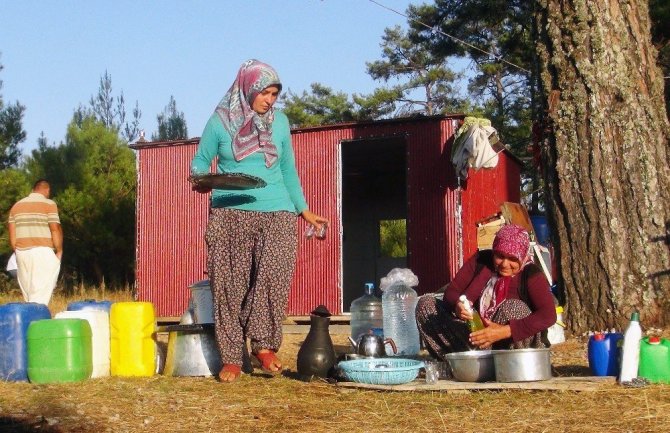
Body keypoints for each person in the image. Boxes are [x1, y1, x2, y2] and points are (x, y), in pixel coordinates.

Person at [191, 59, 328, 382]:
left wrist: (303, 209)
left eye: (274, 94)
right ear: (247, 89)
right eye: (264, 93)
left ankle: (263, 345)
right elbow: (199, 163)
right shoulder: (220, 122)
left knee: (274, 276)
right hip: (230, 211)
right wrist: (202, 181)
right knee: (230, 285)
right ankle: (231, 357)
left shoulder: (280, 123)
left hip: (278, 209)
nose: (270, 100)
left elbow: (287, 170)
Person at [415, 224, 556, 359]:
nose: (505, 264)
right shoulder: (481, 260)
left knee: (514, 308)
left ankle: (508, 368)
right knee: (425, 304)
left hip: (512, 347)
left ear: (523, 256)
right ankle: (457, 364)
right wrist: (458, 305)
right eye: (500, 256)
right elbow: (452, 291)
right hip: (476, 337)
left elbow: (548, 315)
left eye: (513, 259)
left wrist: (504, 331)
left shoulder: (531, 274)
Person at [7, 179, 63, 305]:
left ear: (33, 190)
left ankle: (30, 315)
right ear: (47, 190)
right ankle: (38, 316)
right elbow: (55, 228)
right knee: (40, 293)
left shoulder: (16, 206)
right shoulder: (49, 204)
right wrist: (59, 250)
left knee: (28, 293)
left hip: (21, 251)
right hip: (42, 250)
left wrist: (17, 250)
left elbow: (12, 234)